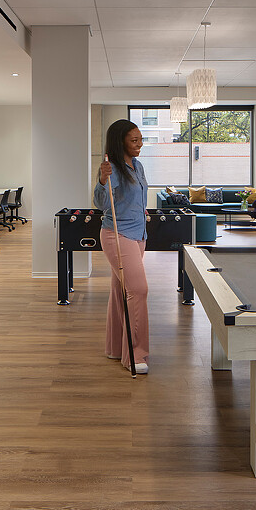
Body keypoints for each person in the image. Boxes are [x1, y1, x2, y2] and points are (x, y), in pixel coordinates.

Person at [94, 119, 150, 375]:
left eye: (140, 139)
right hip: (118, 234)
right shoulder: (112, 168)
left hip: (139, 234)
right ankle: (136, 354)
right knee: (138, 290)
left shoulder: (137, 166)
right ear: (121, 142)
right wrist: (103, 181)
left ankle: (117, 347)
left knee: (121, 290)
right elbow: (102, 204)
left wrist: (142, 211)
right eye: (134, 140)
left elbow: (138, 197)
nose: (139, 144)